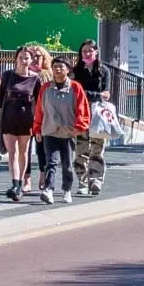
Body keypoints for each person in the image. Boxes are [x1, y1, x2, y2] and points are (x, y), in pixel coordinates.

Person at [33, 56, 90, 205]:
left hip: (68, 132)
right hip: (49, 131)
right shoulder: (45, 88)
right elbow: (40, 109)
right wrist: (37, 128)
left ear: (68, 69)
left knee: (67, 164)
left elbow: (82, 109)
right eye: (55, 67)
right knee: (51, 162)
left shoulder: (75, 88)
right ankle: (49, 189)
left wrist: (79, 127)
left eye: (61, 67)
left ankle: (67, 189)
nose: (58, 70)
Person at [0, 46, 40, 202]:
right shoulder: (7, 75)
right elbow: (1, 100)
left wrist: (38, 122)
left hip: (27, 118)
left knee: (24, 151)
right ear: (16, 58)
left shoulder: (35, 78)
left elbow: (38, 101)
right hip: (9, 117)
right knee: (12, 152)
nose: (24, 60)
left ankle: (21, 182)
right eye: (21, 57)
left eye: (27, 58)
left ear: (31, 60)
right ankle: (15, 183)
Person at [72, 39, 111, 196]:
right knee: (81, 150)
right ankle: (82, 182)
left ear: (96, 52)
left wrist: (88, 94)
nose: (87, 54)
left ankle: (96, 180)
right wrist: (95, 94)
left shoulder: (104, 71)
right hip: (80, 114)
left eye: (90, 51)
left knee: (97, 148)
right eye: (84, 51)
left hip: (98, 115)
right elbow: (75, 92)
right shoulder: (76, 71)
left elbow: (106, 95)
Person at [23, 44, 54, 193]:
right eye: (32, 56)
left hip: (43, 118)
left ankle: (43, 176)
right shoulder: (23, 74)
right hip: (25, 116)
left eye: (38, 56)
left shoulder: (48, 75)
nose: (35, 59)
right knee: (25, 150)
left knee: (42, 149)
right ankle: (26, 179)